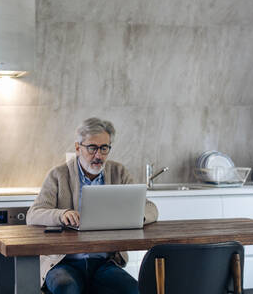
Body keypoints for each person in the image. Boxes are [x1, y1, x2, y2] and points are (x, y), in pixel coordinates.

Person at [27, 117, 159, 294]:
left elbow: (151, 208)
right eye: (92, 148)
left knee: (133, 290)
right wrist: (61, 214)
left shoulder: (119, 172)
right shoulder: (58, 175)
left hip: (104, 263)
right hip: (64, 262)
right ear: (77, 147)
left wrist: (135, 216)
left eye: (104, 148)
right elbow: (34, 214)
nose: (99, 155)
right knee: (66, 288)